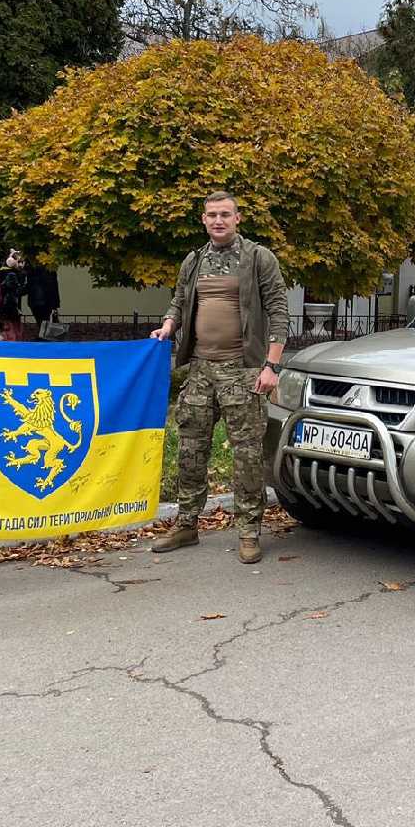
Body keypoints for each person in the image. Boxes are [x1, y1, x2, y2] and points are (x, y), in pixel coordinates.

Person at [150, 191, 289, 563]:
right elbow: (179, 300)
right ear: (203, 219)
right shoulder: (194, 260)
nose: (218, 220)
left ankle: (249, 531)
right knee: (190, 450)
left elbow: (278, 310)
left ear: (237, 218)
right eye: (212, 214)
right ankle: (186, 524)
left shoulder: (258, 258)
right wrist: (168, 326)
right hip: (200, 370)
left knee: (247, 455)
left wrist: (272, 366)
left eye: (225, 214)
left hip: (242, 371)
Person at [0, 250, 27, 341]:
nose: (21, 265)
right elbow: (16, 291)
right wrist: (25, 284)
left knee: (12, 330)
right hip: (10, 306)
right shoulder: (11, 275)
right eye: (19, 262)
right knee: (11, 331)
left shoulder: (4, 272)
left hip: (7, 306)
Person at [26, 261, 62, 340]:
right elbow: (54, 285)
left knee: (41, 321)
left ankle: (43, 337)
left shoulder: (31, 266)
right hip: (47, 298)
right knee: (45, 320)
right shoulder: (50, 268)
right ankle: (44, 338)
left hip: (35, 298)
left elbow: (29, 283)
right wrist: (56, 304)